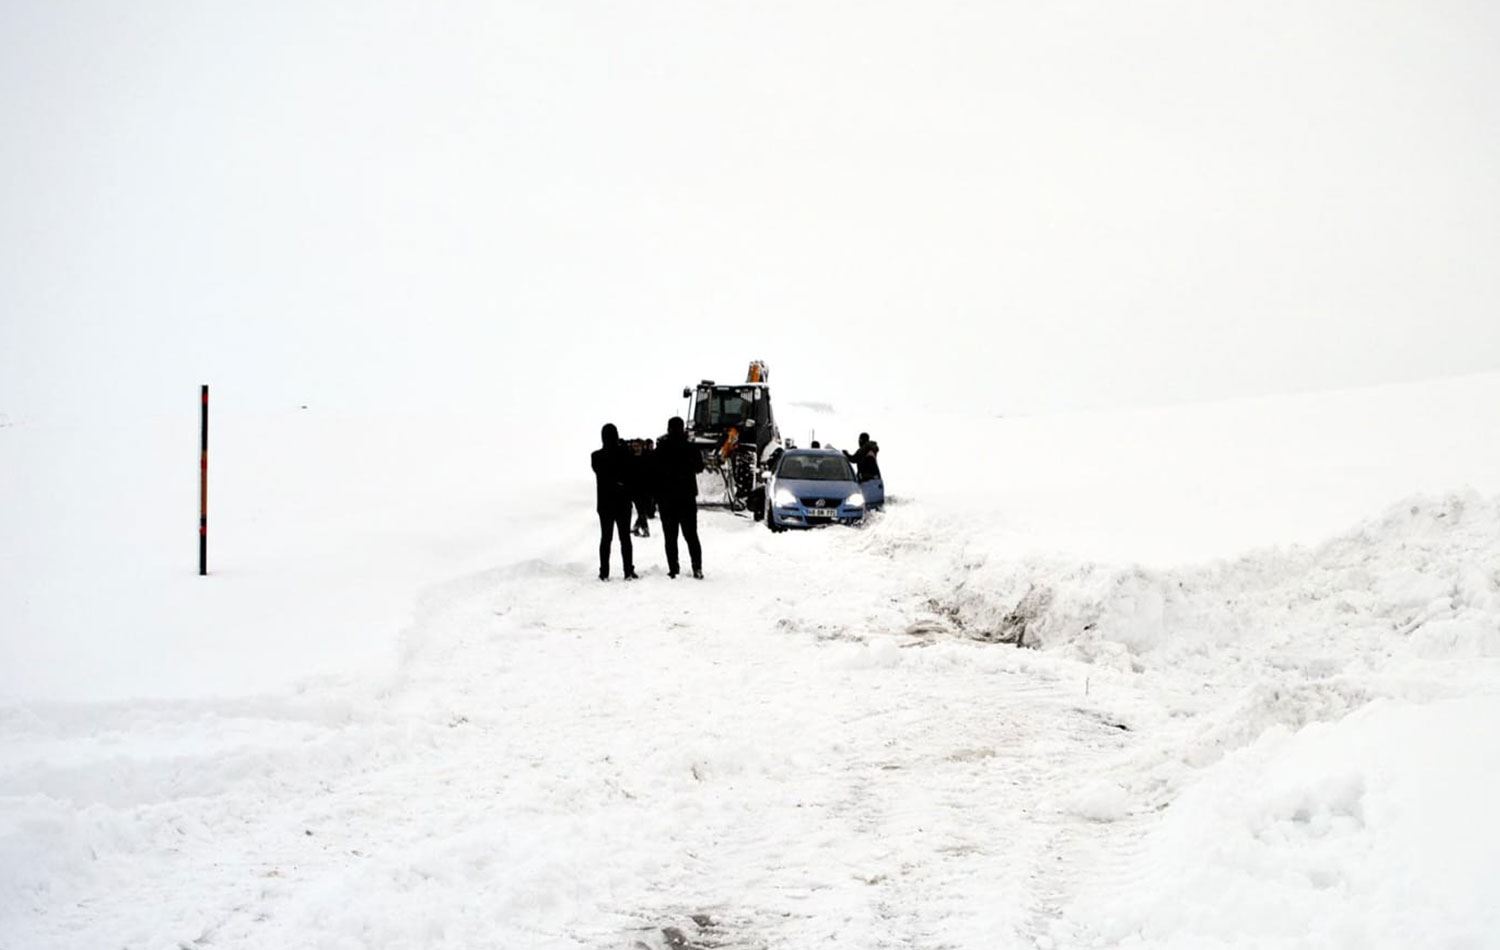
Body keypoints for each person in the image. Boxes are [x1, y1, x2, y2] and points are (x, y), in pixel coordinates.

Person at [653, 416, 704, 579]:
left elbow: (652, 471)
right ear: (682, 429)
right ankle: (697, 568)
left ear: (668, 429)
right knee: (691, 536)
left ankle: (673, 569)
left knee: (670, 537)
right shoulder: (691, 448)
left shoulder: (661, 448)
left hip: (666, 499)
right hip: (687, 497)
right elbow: (699, 467)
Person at [591, 423, 636, 581]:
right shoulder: (625, 454)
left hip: (605, 504)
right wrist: (623, 448)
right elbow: (631, 472)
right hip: (623, 503)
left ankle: (604, 572)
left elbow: (604, 471)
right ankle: (628, 571)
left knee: (606, 539)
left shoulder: (596, 457)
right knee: (625, 539)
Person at [846, 432, 884, 508]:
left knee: (863, 503)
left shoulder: (864, 449)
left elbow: (853, 459)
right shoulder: (870, 449)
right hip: (876, 479)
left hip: (866, 479)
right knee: (875, 505)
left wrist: (846, 454)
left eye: (859, 440)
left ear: (861, 440)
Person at [629, 438, 656, 538]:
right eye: (634, 446)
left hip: (647, 488)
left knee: (642, 510)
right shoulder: (630, 458)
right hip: (635, 489)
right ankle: (644, 529)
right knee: (641, 509)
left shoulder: (648, 457)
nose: (636, 448)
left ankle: (637, 527)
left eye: (637, 446)